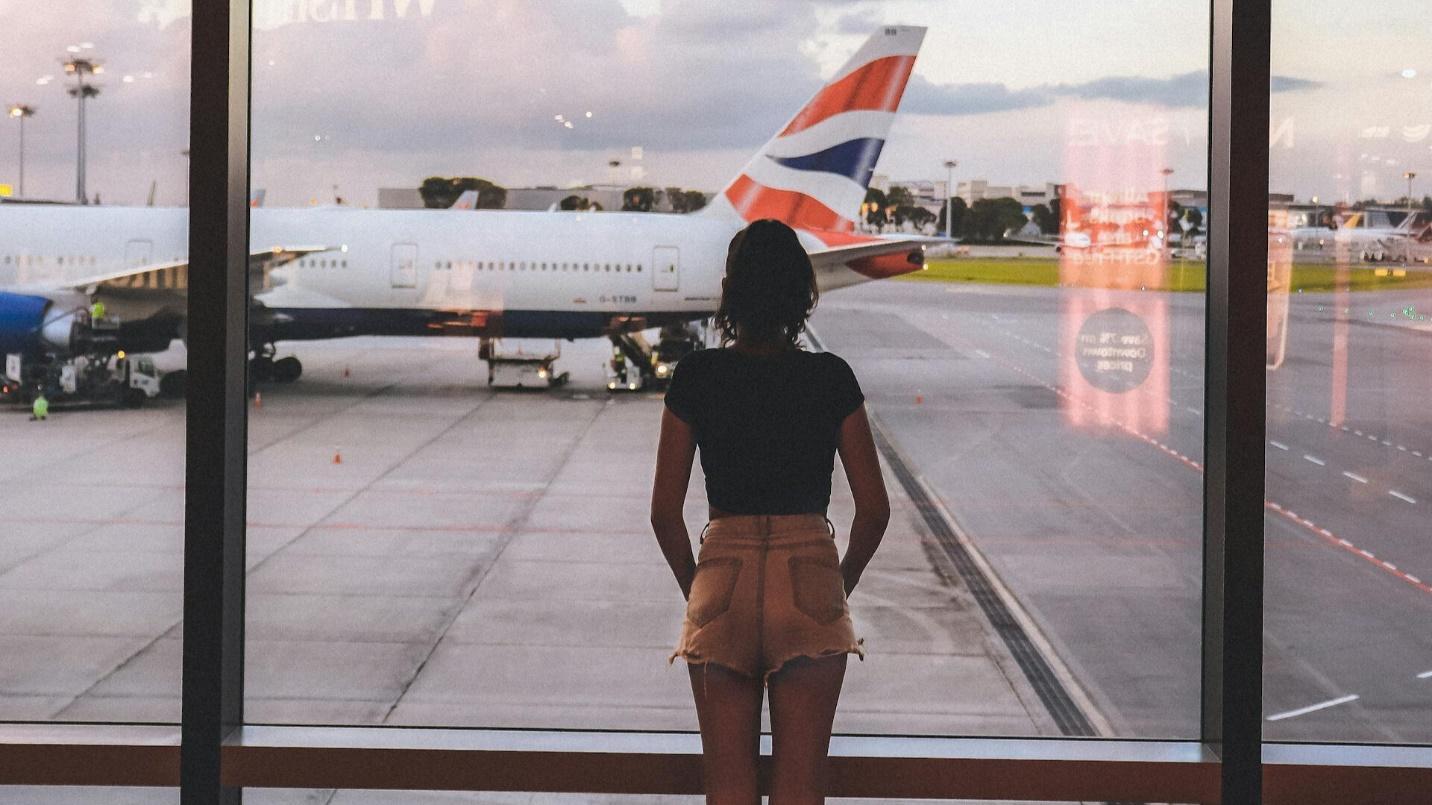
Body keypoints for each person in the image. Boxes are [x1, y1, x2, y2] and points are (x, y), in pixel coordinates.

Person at [651, 218, 890, 803]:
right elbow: (874, 509)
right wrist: (837, 583)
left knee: (728, 788)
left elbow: (664, 512)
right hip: (809, 575)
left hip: (722, 575)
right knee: (801, 788)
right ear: (801, 294)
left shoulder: (697, 376)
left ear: (730, 292)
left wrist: (699, 588)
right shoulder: (831, 377)